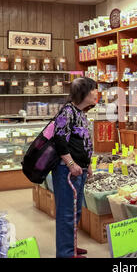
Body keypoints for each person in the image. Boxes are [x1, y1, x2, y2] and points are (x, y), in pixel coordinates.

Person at [52, 77, 98, 258]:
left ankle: (71, 246)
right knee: (66, 214)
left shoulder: (80, 113)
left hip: (79, 170)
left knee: (75, 211)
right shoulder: (67, 112)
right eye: (93, 89)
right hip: (66, 171)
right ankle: (65, 254)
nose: (96, 93)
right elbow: (59, 140)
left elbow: (84, 142)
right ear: (84, 92)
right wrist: (71, 164)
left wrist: (88, 165)